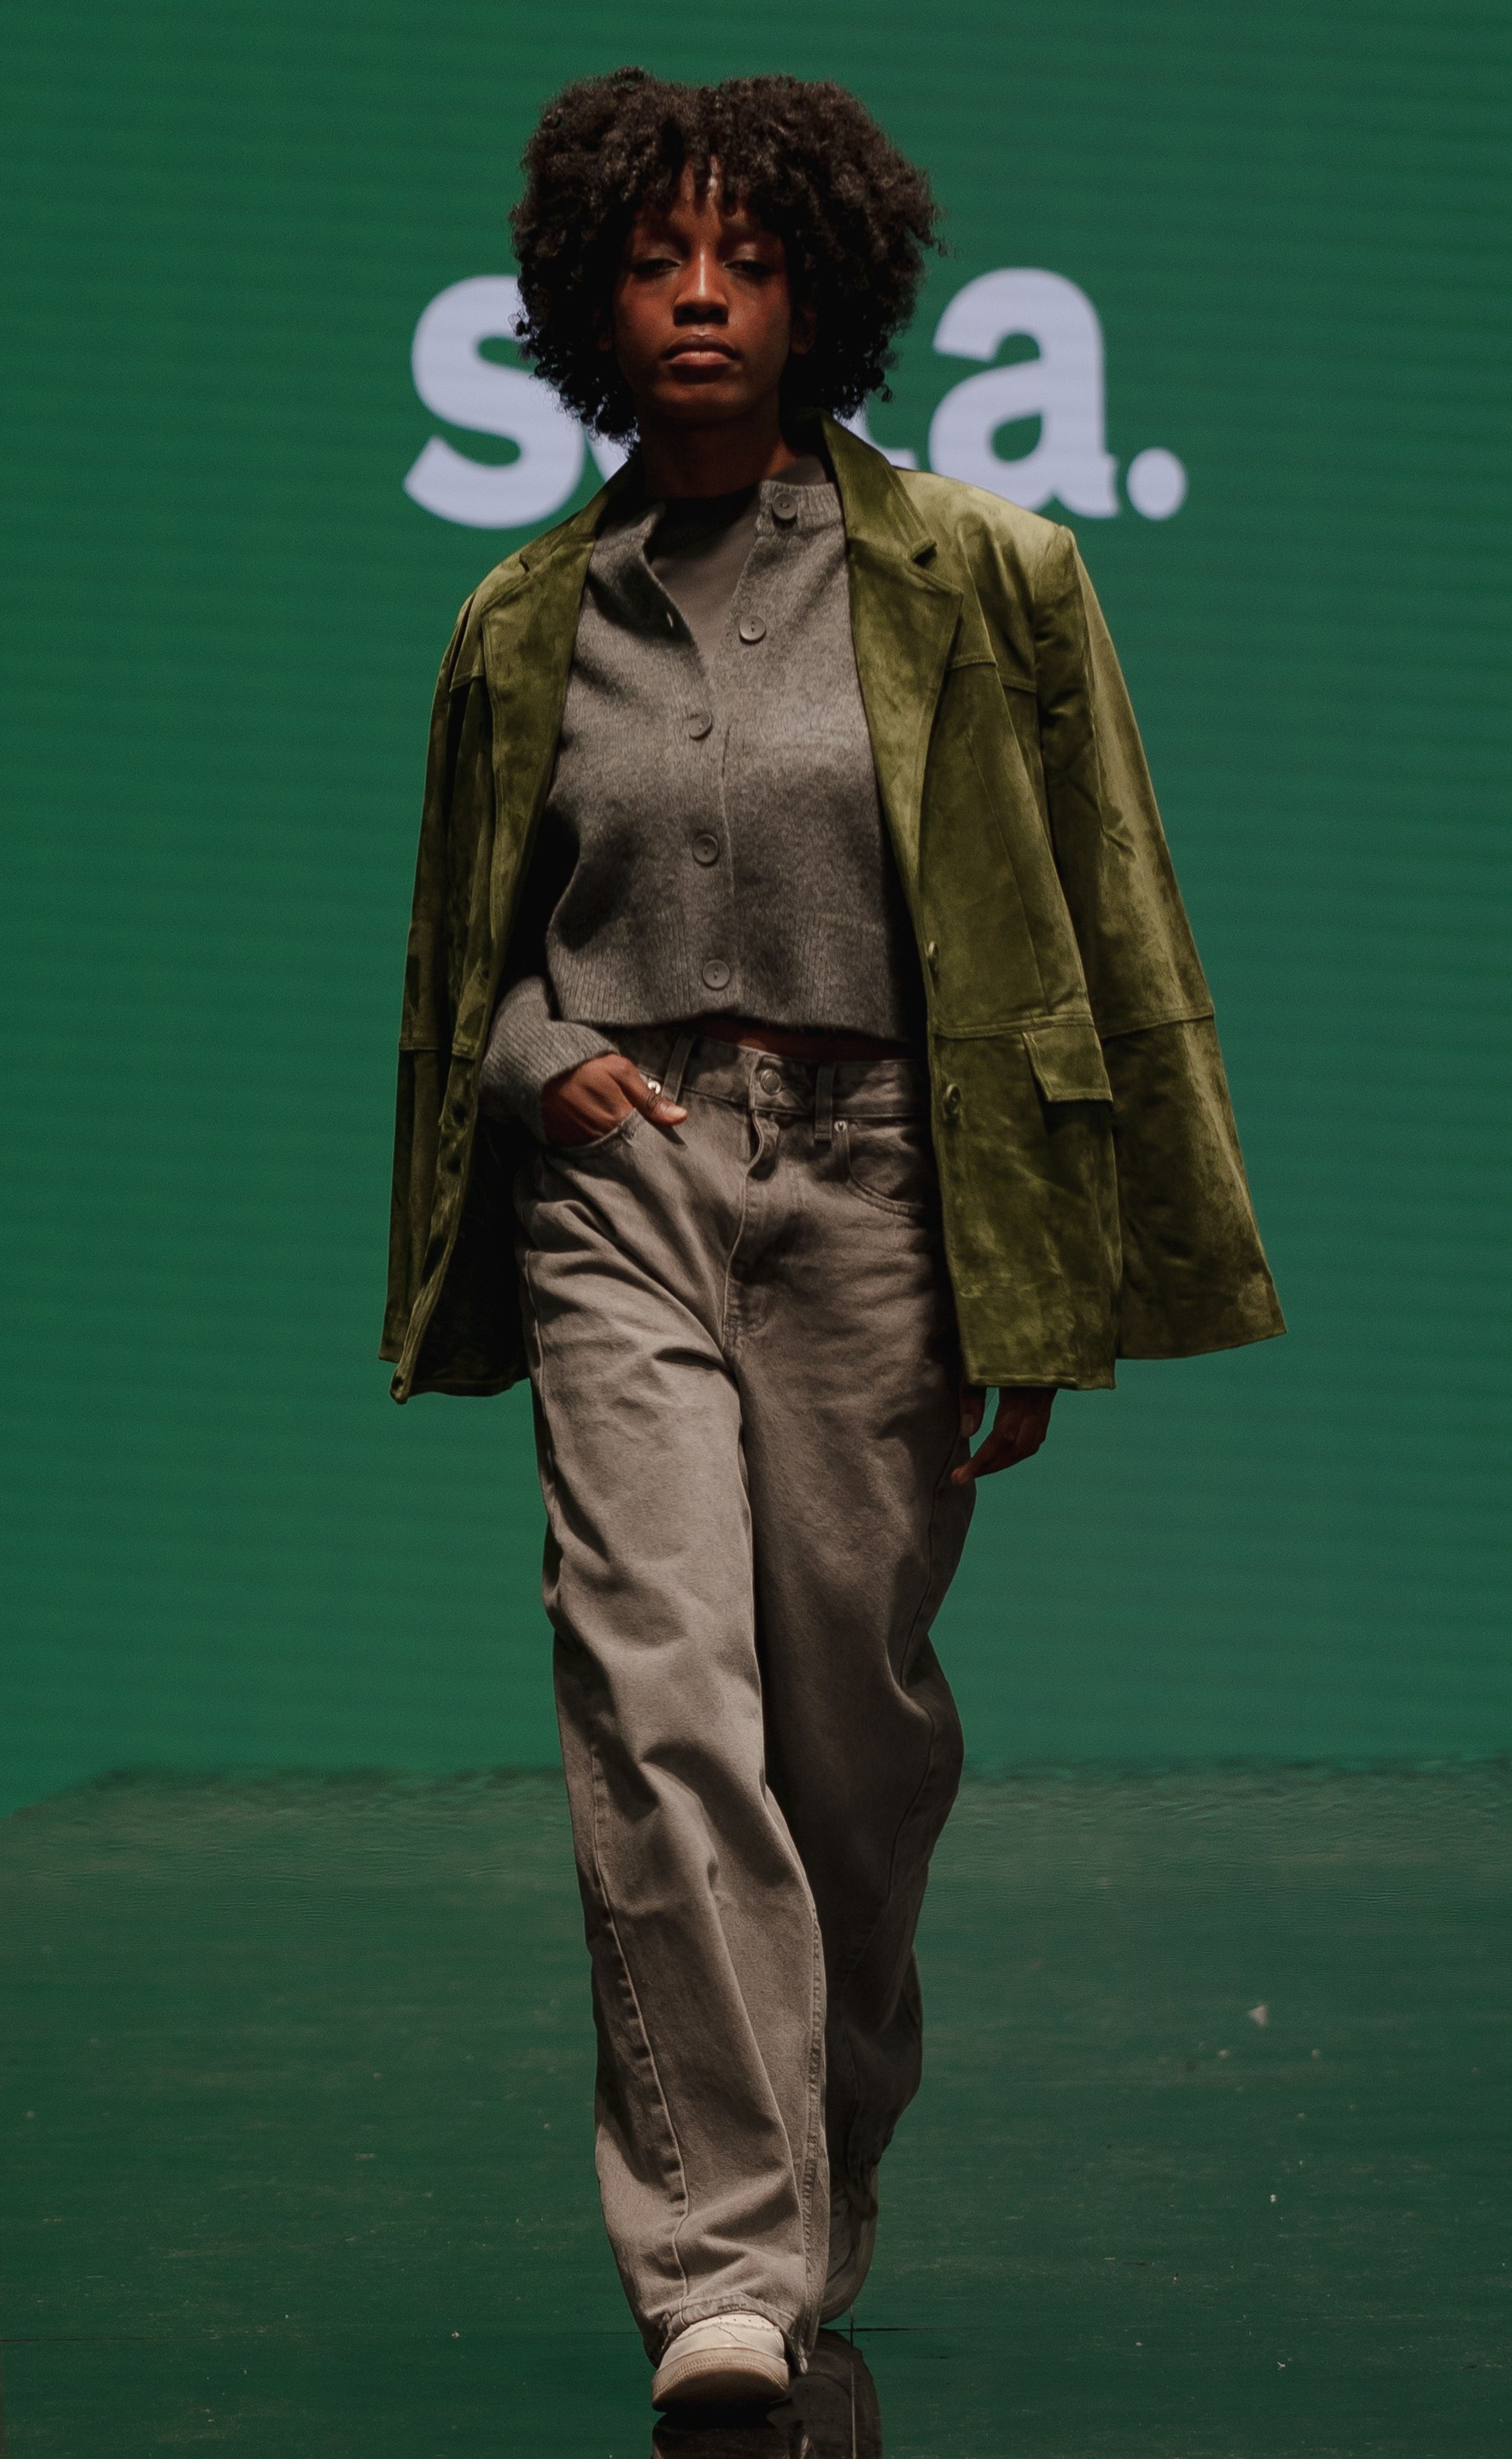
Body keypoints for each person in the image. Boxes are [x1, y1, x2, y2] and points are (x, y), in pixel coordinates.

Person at [381, 67, 1283, 2414]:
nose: (701, 295)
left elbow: (1102, 922)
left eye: (750, 259)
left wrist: (1057, 1273)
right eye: (656, 258)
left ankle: (818, 2159)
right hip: (625, 1185)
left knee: (853, 1752)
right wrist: (535, 1066)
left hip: (883, 1180)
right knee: (659, 1698)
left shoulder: (988, 576)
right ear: (586, 300)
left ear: (825, 295)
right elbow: (470, 954)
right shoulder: (524, 617)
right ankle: (721, 2267)